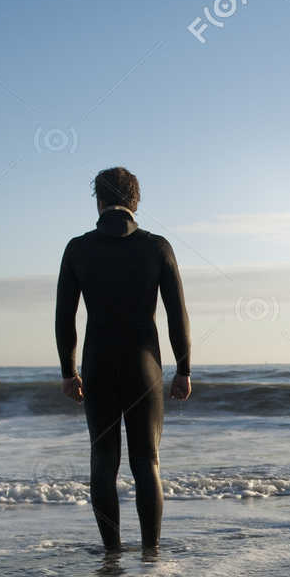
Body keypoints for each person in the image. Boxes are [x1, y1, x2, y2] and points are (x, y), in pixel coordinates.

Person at [55, 167, 192, 552]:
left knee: (103, 461)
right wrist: (183, 369)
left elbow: (65, 318)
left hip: (98, 364)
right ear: (136, 201)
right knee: (146, 461)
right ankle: (151, 554)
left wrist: (69, 372)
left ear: (98, 200)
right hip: (143, 365)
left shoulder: (78, 249)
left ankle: (111, 555)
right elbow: (177, 314)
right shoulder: (157, 247)